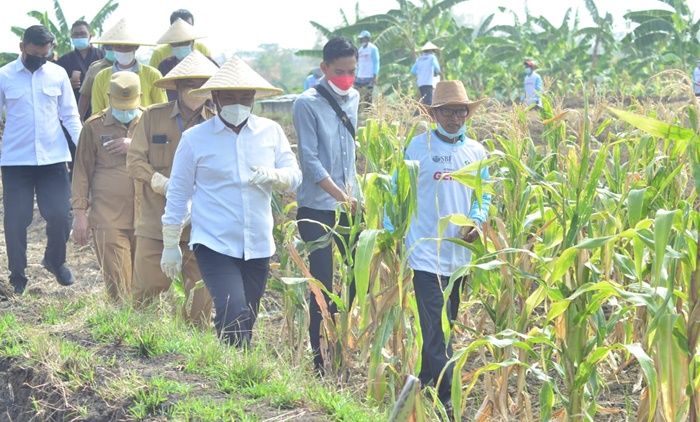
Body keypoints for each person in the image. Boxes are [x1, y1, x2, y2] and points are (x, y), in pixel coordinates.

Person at [160, 56, 301, 346]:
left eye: (245, 97)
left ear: (253, 99)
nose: (238, 103)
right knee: (233, 309)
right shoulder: (195, 139)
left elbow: (294, 174)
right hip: (214, 241)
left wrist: (275, 176)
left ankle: (235, 373)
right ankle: (234, 370)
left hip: (258, 243)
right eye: (230, 96)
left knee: (247, 314)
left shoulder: (270, 132)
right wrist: (171, 243)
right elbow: (178, 192)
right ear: (215, 98)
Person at [401, 80, 490, 411]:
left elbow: (483, 196)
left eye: (461, 111)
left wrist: (477, 221)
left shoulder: (476, 152)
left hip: (458, 257)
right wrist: (388, 233)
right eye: (448, 111)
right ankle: (447, 404)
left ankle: (425, 386)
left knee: (442, 327)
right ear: (435, 113)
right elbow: (400, 190)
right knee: (438, 331)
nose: (456, 117)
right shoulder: (417, 147)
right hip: (425, 253)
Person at [127, 51, 218, 326]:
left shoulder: (216, 123)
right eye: (190, 84)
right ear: (177, 87)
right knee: (144, 297)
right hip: (156, 220)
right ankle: (138, 348)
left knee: (201, 299)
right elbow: (134, 160)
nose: (196, 91)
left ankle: (195, 358)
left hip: (200, 226)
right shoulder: (154, 117)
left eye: (203, 84)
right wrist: (159, 181)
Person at [293, 37, 361, 373]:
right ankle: (320, 359)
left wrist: (353, 198)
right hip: (318, 207)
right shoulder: (305, 104)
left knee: (352, 280)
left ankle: (342, 349)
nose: (346, 77)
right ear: (324, 69)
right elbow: (310, 161)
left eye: (351, 71)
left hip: (350, 204)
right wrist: (340, 196)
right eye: (339, 71)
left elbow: (350, 154)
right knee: (321, 283)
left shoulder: (355, 98)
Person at [0, 25, 82, 294]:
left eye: (44, 56)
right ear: (22, 47)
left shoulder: (57, 75)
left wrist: (83, 148)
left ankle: (55, 261)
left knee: (60, 214)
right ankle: (17, 274)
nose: (40, 60)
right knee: (16, 219)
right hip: (16, 162)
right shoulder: (4, 77)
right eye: (35, 55)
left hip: (53, 159)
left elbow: (70, 115)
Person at [71, 72, 143, 302]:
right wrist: (80, 214)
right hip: (108, 216)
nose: (125, 111)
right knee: (119, 286)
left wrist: (136, 146)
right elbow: (81, 171)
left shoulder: (151, 123)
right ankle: (123, 330)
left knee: (146, 287)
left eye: (129, 105)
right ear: (108, 97)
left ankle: (147, 332)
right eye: (119, 105)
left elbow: (169, 161)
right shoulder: (93, 127)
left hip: (148, 217)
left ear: (140, 97)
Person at [90, 18, 167, 116]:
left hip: (145, 128)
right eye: (118, 46)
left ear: (136, 47)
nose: (123, 50)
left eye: (127, 46)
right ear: (112, 47)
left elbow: (162, 109)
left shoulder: (153, 75)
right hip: (111, 129)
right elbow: (97, 112)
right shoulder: (101, 77)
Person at [57, 20, 105, 175]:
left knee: (100, 156)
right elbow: (55, 90)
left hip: (99, 111)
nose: (79, 37)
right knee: (75, 156)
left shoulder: (102, 57)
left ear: (90, 35)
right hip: (72, 115)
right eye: (75, 34)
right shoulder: (64, 61)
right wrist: (68, 84)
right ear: (71, 37)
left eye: (82, 34)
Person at [155, 18, 209, 101]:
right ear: (170, 45)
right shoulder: (165, 66)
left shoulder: (207, 63)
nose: (180, 47)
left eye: (184, 43)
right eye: (175, 44)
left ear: (192, 42)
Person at [78, 45, 114, 120]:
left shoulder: (137, 68)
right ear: (104, 48)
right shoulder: (96, 68)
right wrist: (80, 119)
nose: (113, 49)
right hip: (102, 119)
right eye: (110, 47)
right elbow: (85, 95)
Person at [355, 30, 379, 109]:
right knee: (357, 95)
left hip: (369, 76)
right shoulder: (360, 50)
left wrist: (375, 75)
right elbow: (358, 63)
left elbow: (376, 62)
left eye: (363, 39)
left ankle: (368, 113)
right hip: (360, 76)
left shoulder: (373, 49)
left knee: (368, 97)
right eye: (361, 39)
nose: (362, 41)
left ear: (368, 39)